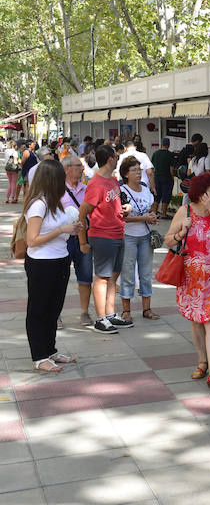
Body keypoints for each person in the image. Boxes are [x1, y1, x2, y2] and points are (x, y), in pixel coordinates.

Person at [166, 171, 210, 390]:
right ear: (201, 193)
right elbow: (168, 240)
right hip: (191, 277)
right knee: (196, 321)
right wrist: (181, 233)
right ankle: (202, 361)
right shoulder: (184, 211)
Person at [23, 160, 82, 372]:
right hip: (42, 263)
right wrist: (60, 230)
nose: (64, 181)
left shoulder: (54, 202)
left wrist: (71, 229)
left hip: (60, 259)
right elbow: (32, 240)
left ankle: (50, 350)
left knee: (54, 309)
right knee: (39, 310)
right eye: (61, 177)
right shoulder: (38, 204)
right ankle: (39, 356)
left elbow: (59, 231)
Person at [77, 144, 133, 334]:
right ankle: (101, 319)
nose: (118, 159)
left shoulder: (113, 180)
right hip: (102, 235)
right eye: (116, 156)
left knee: (113, 276)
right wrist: (82, 241)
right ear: (110, 159)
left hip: (118, 232)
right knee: (102, 277)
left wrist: (125, 208)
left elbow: (115, 203)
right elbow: (82, 212)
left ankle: (110, 314)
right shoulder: (96, 184)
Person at [119, 156, 159, 323]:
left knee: (146, 273)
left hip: (145, 236)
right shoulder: (122, 191)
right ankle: (126, 311)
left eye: (139, 170)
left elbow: (150, 210)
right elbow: (121, 218)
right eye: (134, 170)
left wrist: (152, 217)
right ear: (125, 174)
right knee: (127, 273)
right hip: (128, 237)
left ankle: (147, 309)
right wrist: (144, 218)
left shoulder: (145, 190)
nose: (138, 173)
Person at [60, 155, 94, 327]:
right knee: (59, 278)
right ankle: (55, 314)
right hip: (63, 240)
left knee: (85, 277)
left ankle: (84, 312)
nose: (82, 169)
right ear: (67, 169)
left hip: (84, 238)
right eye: (78, 166)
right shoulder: (57, 190)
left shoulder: (87, 189)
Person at [151, 137, 176, 219]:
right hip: (167, 178)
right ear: (168, 145)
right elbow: (171, 168)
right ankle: (164, 214)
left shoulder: (155, 154)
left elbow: (152, 167)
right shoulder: (170, 154)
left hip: (157, 177)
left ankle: (154, 213)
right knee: (166, 195)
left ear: (161, 144)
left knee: (157, 195)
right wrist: (173, 177)